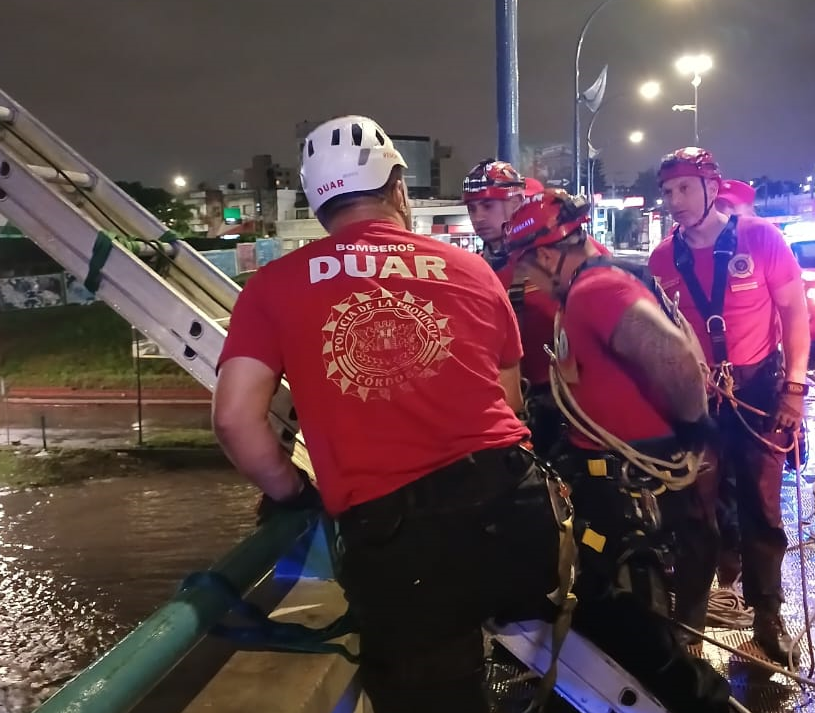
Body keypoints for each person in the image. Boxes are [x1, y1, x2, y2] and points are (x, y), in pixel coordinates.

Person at [212, 115, 570, 713]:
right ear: (397, 190)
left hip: (407, 556)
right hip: (520, 520)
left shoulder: (272, 287)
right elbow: (507, 403)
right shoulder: (473, 269)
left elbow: (234, 421)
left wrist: (292, 491)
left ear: (318, 203)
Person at [502, 188, 732, 713]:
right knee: (613, 605)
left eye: (529, 267)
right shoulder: (591, 284)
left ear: (545, 254)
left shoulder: (595, 291)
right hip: (612, 475)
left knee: (631, 619)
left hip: (631, 483)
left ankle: (695, 701)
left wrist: (695, 428)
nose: (529, 279)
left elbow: (668, 353)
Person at [648, 147, 811, 668]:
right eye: (668, 191)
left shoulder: (760, 239)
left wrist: (794, 390)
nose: (674, 201)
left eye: (684, 189)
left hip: (758, 391)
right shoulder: (662, 258)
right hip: (698, 398)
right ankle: (691, 614)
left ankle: (767, 615)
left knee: (761, 511)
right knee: (693, 509)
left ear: (712, 189)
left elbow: (794, 313)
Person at [462, 160, 563, 456]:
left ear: (517, 201)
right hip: (508, 404)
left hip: (566, 401)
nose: (478, 218)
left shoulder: (554, 256)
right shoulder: (472, 268)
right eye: (472, 209)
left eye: (487, 206)